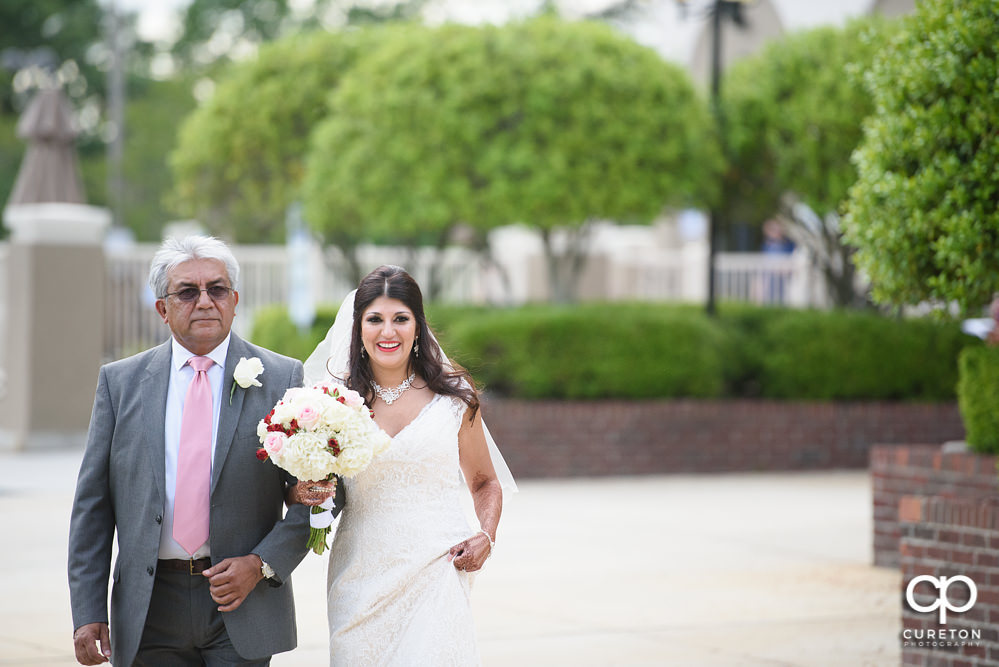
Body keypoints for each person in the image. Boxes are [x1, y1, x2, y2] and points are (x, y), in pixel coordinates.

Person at [68, 235, 342, 666]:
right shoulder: (119, 385)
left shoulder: (281, 379)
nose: (205, 301)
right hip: (148, 607)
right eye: (187, 292)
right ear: (162, 308)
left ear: (234, 300)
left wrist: (262, 563)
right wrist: (86, 612)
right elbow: (93, 506)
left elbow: (327, 491)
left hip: (241, 604)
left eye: (217, 289)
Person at [292, 264, 515, 666]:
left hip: (437, 569)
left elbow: (484, 481)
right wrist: (306, 489)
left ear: (418, 326)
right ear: (358, 328)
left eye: (400, 319)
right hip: (360, 580)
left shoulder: (454, 398)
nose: (388, 331)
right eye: (375, 319)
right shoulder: (333, 402)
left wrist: (487, 534)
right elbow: (312, 485)